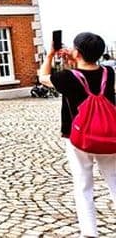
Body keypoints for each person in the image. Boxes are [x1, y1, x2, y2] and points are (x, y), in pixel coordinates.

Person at [39, 32, 115, 238]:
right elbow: (87, 75)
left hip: (78, 138)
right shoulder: (109, 72)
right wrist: (76, 60)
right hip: (109, 136)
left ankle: (89, 233)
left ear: (78, 52)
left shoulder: (66, 77)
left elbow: (43, 78)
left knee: (83, 186)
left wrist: (50, 56)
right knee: (115, 182)